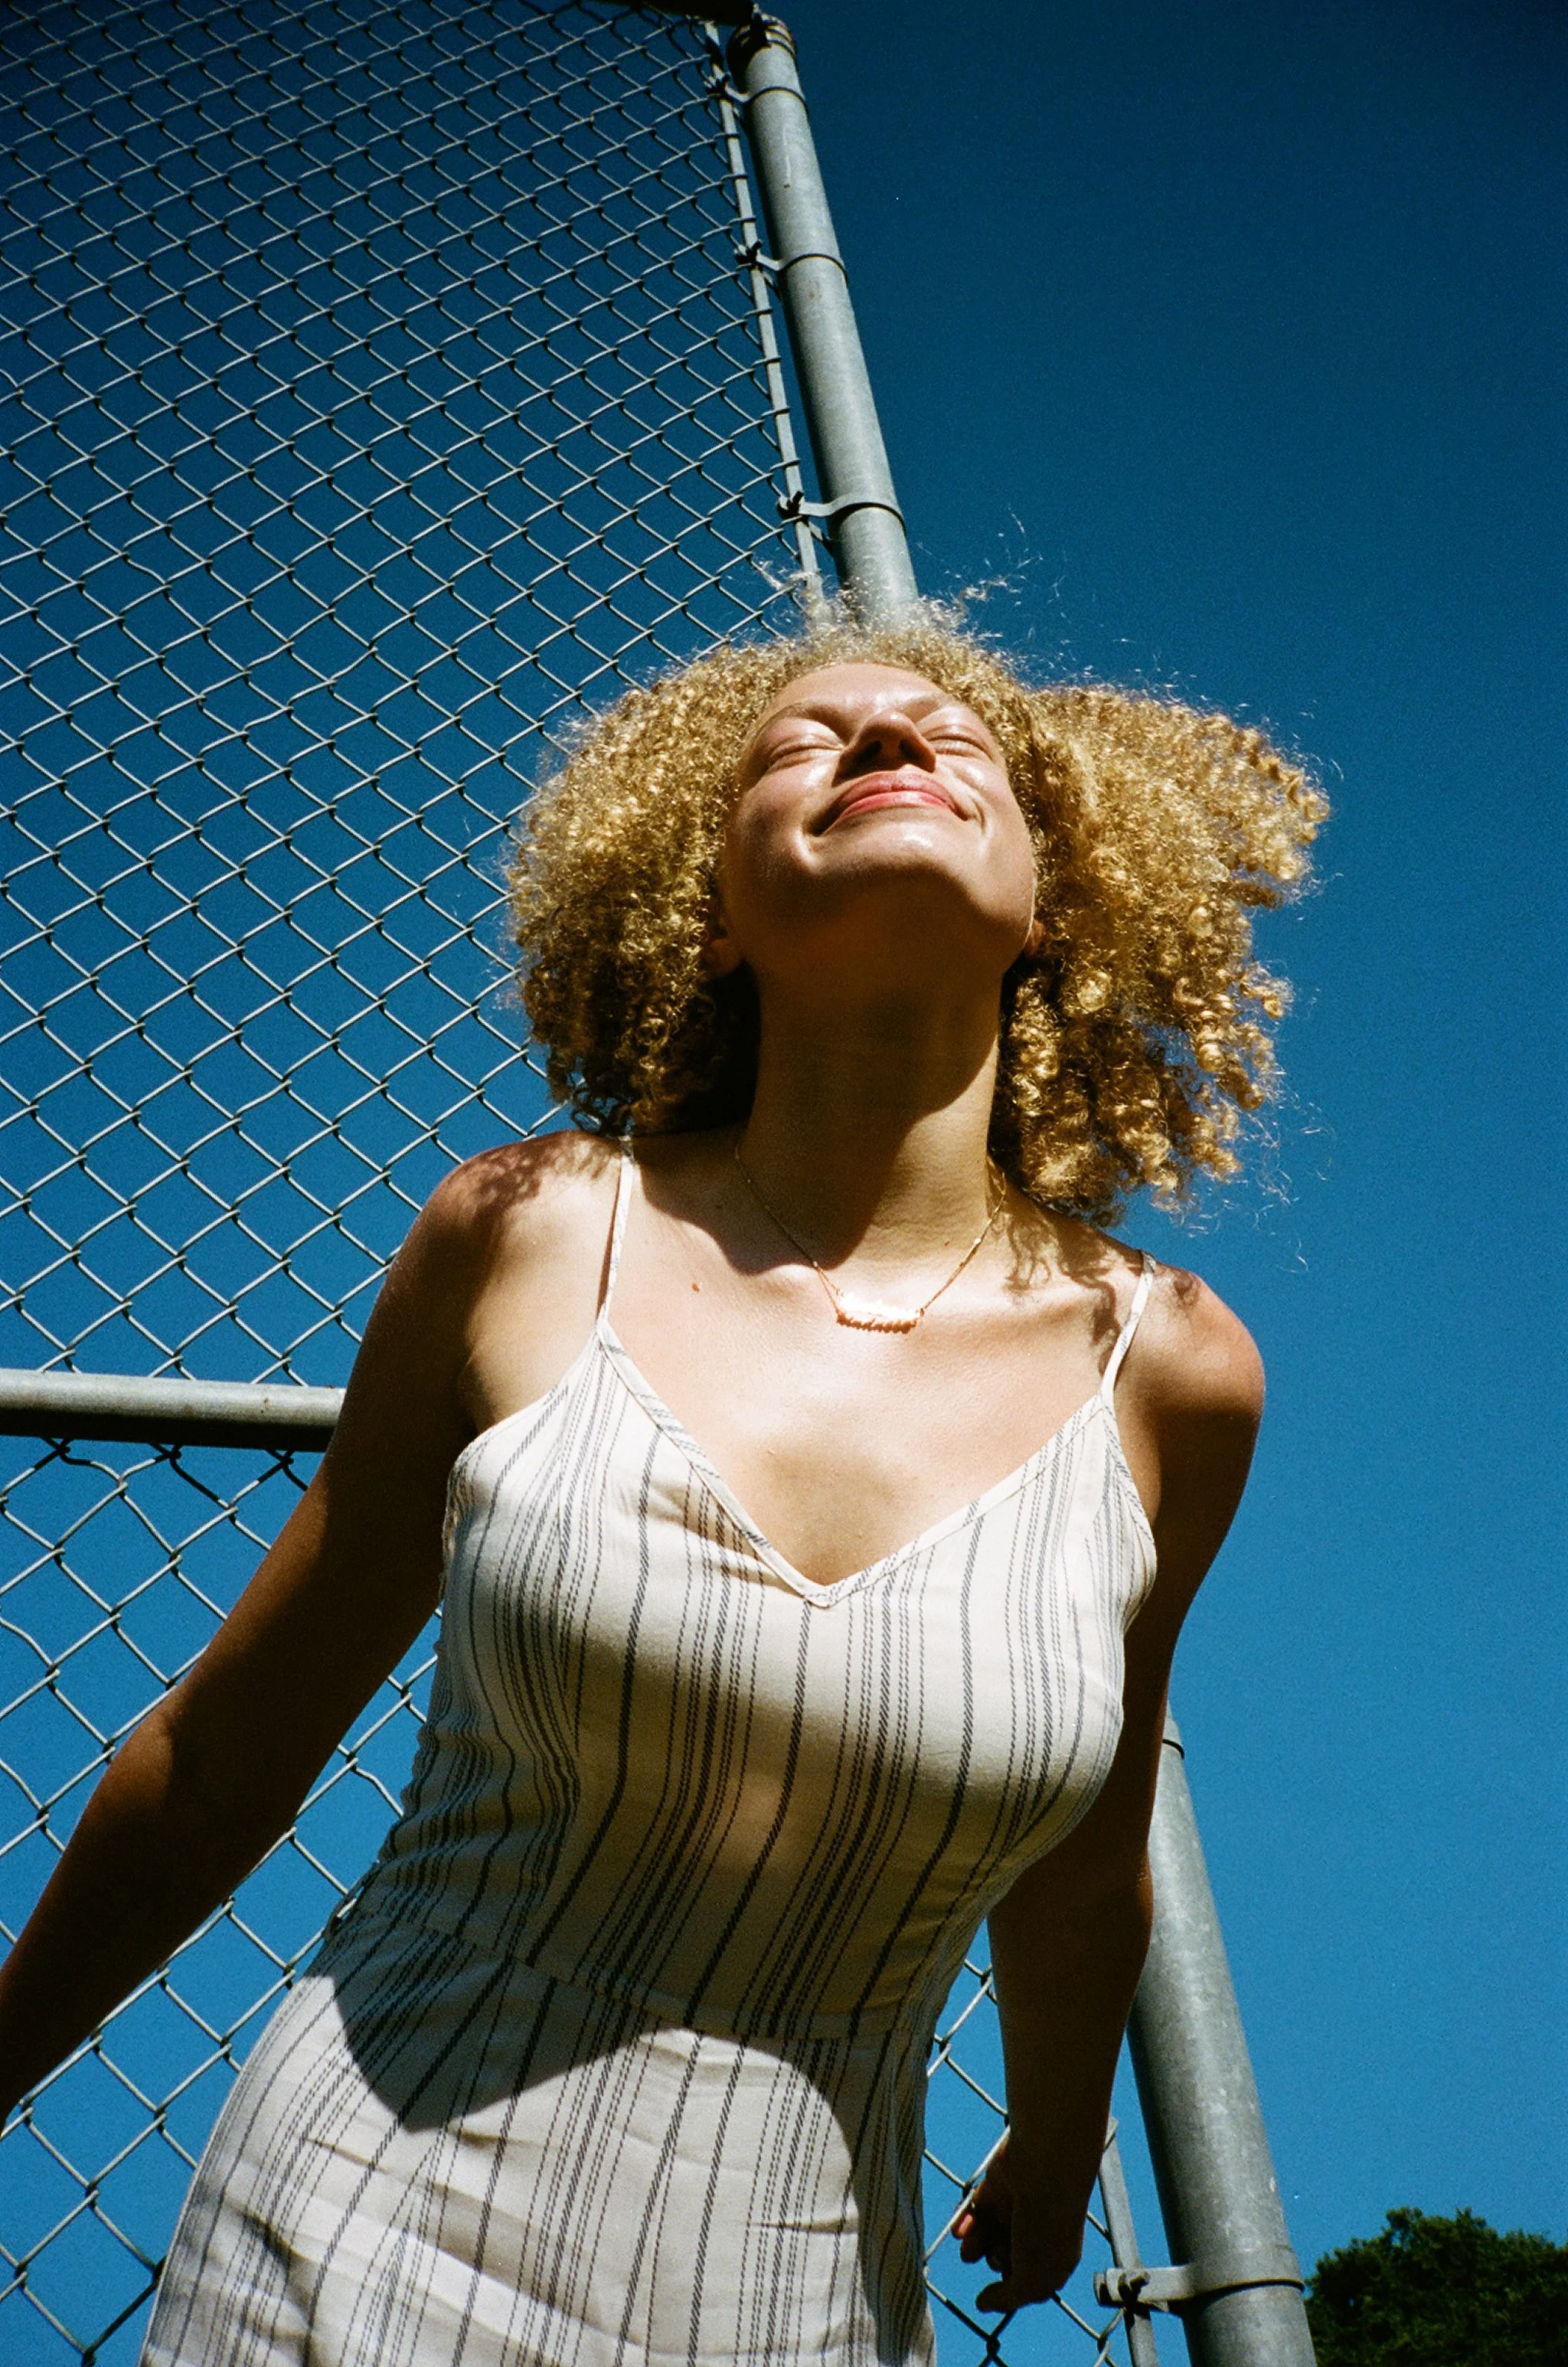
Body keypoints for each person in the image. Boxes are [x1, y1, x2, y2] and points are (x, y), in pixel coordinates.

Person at [0, 611, 1326, 2367]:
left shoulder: (1167, 1373)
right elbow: (228, 1743)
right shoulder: (529, 1231)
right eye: (808, 740)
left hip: (801, 2293)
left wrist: (1063, 2126)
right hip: (344, 2214)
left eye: (952, 742)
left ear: (1052, 909)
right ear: (702, 904)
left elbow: (1088, 1851)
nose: (884, 745)